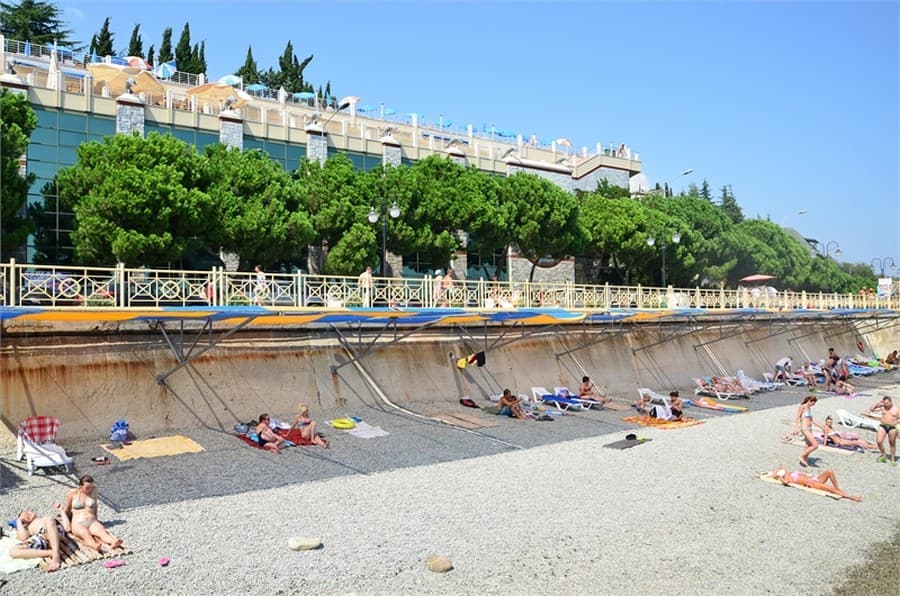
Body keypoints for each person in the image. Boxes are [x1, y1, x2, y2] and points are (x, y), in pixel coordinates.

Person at [59, 475, 123, 552]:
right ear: (80, 486)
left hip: (92, 521)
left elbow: (95, 507)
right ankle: (94, 545)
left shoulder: (93, 492)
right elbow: (68, 508)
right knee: (85, 534)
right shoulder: (73, 493)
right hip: (78, 522)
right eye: (87, 488)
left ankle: (113, 541)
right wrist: (64, 518)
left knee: (102, 533)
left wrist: (96, 519)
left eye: (91, 487)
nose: (89, 490)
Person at [770, 466, 861, 502]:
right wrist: (779, 477)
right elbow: (785, 483)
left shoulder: (790, 473)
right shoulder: (787, 478)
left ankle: (838, 489)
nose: (785, 470)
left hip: (815, 478)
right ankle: (850, 497)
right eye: (784, 471)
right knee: (830, 489)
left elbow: (780, 466)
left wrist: (777, 472)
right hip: (812, 483)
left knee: (830, 472)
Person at [795, 395, 821, 467]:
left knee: (808, 445)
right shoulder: (802, 406)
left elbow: (811, 420)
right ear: (810, 401)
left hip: (809, 428)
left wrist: (821, 427)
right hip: (804, 427)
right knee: (815, 445)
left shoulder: (809, 408)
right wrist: (796, 428)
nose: (814, 405)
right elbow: (797, 417)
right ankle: (801, 456)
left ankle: (804, 461)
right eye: (813, 403)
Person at [875, 396, 899, 465]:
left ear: (891, 402)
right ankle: (884, 455)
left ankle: (892, 459)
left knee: (892, 443)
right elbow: (871, 409)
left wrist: (899, 430)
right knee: (879, 441)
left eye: (887, 403)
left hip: (892, 427)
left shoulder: (896, 409)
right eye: (884, 403)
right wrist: (878, 403)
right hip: (883, 426)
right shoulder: (882, 407)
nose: (886, 404)